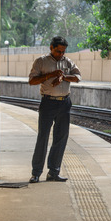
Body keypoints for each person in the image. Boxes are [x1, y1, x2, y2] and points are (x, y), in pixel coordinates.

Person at [28, 36, 81, 183]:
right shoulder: (41, 62)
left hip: (64, 103)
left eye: (63, 52)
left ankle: (54, 172)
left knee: (61, 138)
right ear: (51, 47)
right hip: (48, 103)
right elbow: (32, 81)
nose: (60, 54)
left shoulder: (68, 62)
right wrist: (51, 75)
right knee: (43, 137)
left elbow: (77, 77)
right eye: (58, 51)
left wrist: (64, 77)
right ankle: (36, 172)